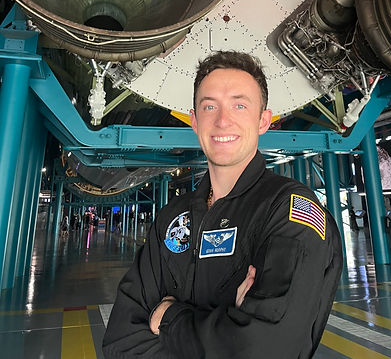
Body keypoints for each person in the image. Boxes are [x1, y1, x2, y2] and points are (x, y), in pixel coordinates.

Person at [103, 51, 343, 359]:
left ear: (263, 121)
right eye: (209, 106)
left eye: (239, 105)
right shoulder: (172, 217)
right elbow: (121, 341)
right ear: (194, 121)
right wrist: (229, 329)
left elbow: (266, 348)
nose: (222, 120)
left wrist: (169, 318)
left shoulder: (288, 210)